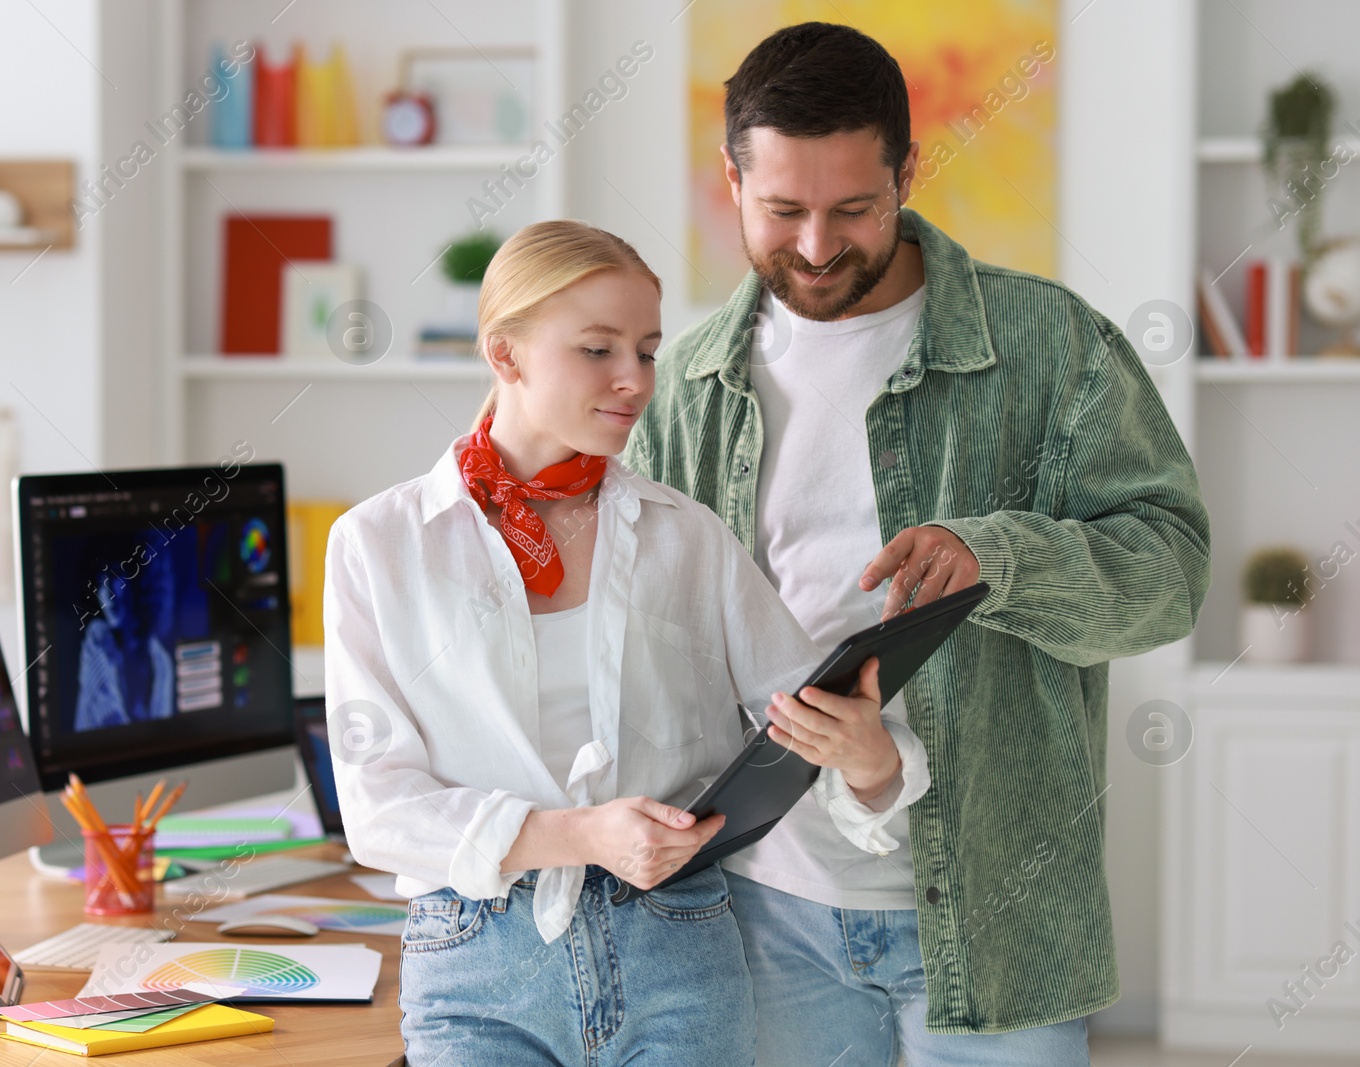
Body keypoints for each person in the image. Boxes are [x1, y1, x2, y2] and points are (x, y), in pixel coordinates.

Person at [625, 22, 1211, 1067]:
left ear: (906, 169)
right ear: (730, 178)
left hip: (1001, 915)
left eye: (852, 208)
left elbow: (1168, 578)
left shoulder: (1051, 346)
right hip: (767, 909)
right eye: (781, 210)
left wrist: (1004, 555)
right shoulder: (687, 386)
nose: (814, 246)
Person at [323, 220, 927, 1066]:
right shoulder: (378, 544)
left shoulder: (689, 537)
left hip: (677, 952)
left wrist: (871, 763)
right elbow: (379, 809)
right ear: (506, 355)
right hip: (476, 966)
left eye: (645, 350)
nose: (634, 381)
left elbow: (807, 721)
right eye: (597, 350)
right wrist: (583, 834)